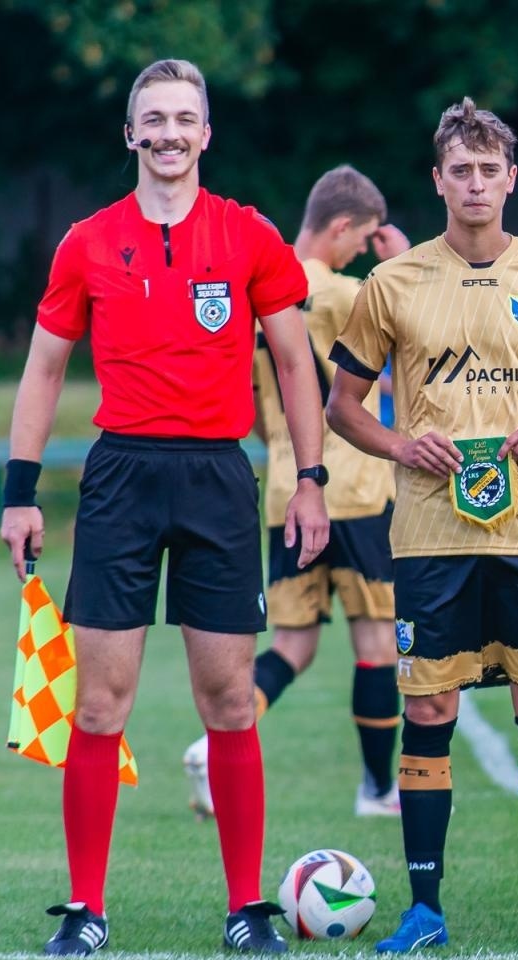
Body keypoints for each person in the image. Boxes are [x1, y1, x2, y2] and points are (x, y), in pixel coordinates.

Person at [0, 58, 330, 956]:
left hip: (220, 479)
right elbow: (44, 367)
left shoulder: (250, 236)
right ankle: (85, 909)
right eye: (155, 119)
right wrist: (20, 493)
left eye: (186, 118)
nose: (171, 133)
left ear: (207, 133)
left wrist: (311, 478)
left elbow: (296, 366)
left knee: (230, 699)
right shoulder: (88, 242)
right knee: (100, 704)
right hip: (120, 480)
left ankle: (246, 908)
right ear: (132, 135)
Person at [326, 98, 518, 951]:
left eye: (491, 170)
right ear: (439, 181)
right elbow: (345, 407)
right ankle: (424, 910)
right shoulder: (392, 283)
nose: (477, 183)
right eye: (462, 170)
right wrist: (401, 445)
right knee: (429, 710)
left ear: (512, 180)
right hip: (430, 534)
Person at [183, 166, 412, 821]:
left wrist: (283, 443)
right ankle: (376, 791)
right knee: (375, 645)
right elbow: (395, 371)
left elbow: (257, 400)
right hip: (359, 488)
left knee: (292, 645)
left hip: (288, 487)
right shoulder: (348, 292)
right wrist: (398, 269)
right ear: (343, 228)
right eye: (361, 239)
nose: (359, 251)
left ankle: (210, 742)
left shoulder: (255, 284)